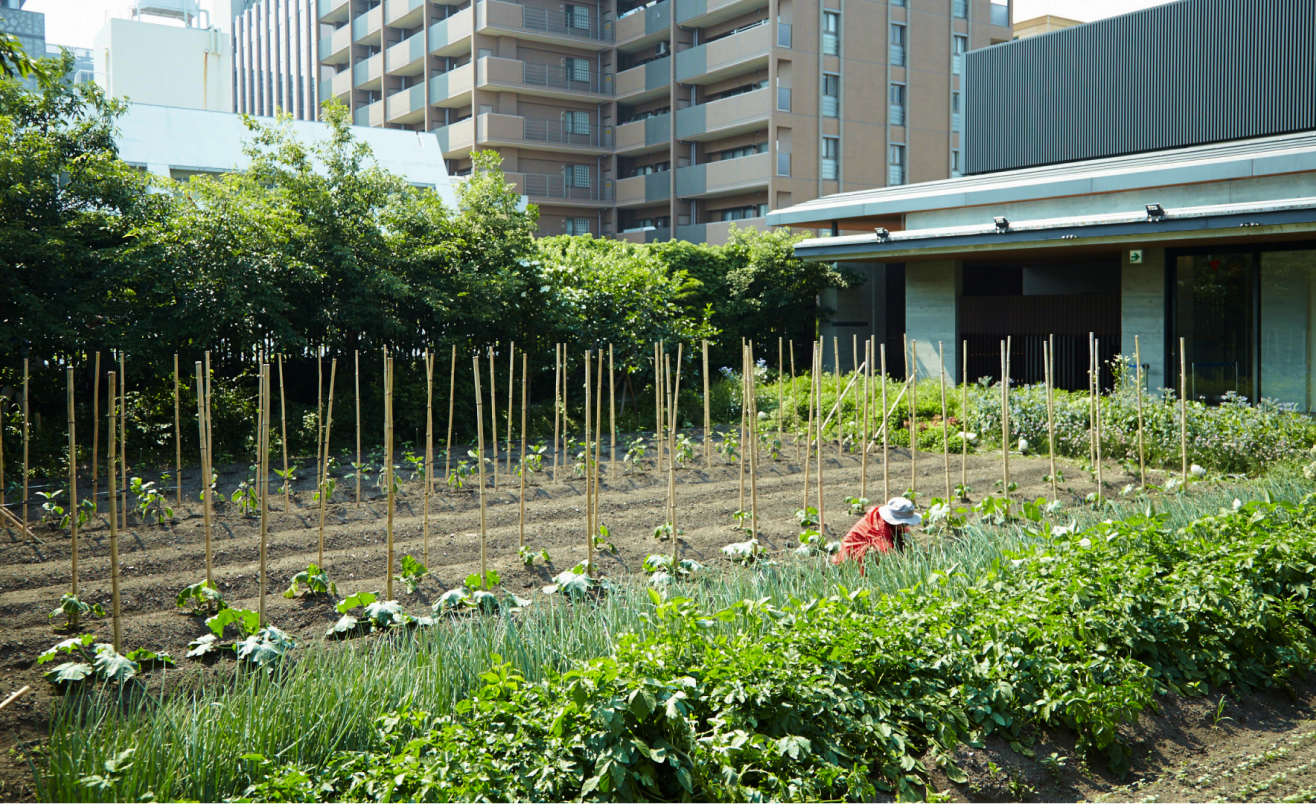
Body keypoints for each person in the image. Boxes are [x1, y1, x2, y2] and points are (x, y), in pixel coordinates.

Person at [832, 496, 921, 570]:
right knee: (875, 553)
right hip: (849, 560)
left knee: (902, 537)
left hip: (860, 554)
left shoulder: (890, 524)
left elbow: (905, 535)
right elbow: (889, 555)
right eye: (904, 524)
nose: (905, 526)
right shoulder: (879, 529)